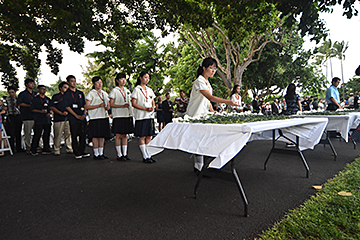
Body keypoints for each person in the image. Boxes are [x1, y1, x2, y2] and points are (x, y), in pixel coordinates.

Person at [186, 57, 238, 172]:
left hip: (203, 115)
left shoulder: (207, 82)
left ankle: (199, 166)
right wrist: (229, 101)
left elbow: (207, 100)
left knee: (201, 141)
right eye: (211, 68)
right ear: (204, 68)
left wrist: (212, 110)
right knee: (199, 141)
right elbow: (210, 97)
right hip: (195, 115)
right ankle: (199, 167)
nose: (213, 71)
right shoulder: (199, 80)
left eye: (215, 68)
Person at [131, 71, 157, 164]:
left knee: (149, 135)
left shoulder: (149, 90)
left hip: (149, 116)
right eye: (145, 77)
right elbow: (134, 103)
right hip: (141, 116)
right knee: (142, 136)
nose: (147, 79)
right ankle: (144, 156)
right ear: (140, 78)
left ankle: (149, 155)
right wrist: (145, 108)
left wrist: (152, 107)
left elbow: (153, 100)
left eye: (148, 78)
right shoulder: (137, 89)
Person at [64, 75, 90, 159]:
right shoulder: (67, 94)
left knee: (83, 134)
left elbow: (85, 104)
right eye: (72, 81)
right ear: (68, 82)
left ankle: (83, 150)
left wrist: (84, 114)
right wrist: (76, 116)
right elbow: (67, 107)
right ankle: (76, 152)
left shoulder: (80, 93)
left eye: (75, 81)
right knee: (74, 134)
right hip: (73, 117)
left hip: (82, 116)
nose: (74, 83)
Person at [109, 73, 134, 161]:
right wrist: (121, 106)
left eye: (124, 79)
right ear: (117, 80)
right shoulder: (114, 91)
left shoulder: (127, 91)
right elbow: (111, 104)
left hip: (126, 115)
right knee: (118, 135)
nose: (123, 81)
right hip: (118, 116)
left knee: (125, 135)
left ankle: (125, 154)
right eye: (121, 79)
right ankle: (119, 154)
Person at [85, 76, 111, 160]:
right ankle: (96, 154)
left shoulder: (104, 93)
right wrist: (98, 106)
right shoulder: (91, 93)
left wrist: (107, 107)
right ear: (93, 83)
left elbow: (108, 105)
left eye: (101, 82)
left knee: (102, 136)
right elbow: (87, 106)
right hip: (95, 117)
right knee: (95, 136)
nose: (100, 84)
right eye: (97, 82)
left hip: (103, 116)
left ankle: (101, 153)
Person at [50, 82, 73, 156]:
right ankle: (56, 149)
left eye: (67, 87)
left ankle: (69, 148)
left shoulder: (70, 96)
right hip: (58, 118)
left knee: (68, 134)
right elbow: (52, 107)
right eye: (65, 87)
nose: (67, 89)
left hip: (68, 118)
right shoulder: (56, 96)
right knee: (58, 134)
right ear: (60, 88)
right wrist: (60, 113)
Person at [30, 85, 52, 155]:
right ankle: (34, 149)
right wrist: (40, 111)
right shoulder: (35, 99)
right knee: (37, 134)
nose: (44, 91)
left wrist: (50, 113)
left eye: (45, 89)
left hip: (46, 119)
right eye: (42, 89)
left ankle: (46, 148)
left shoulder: (47, 99)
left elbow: (50, 108)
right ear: (38, 90)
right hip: (38, 119)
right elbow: (32, 109)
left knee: (47, 134)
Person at [18, 78, 37, 153]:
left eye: (33, 83)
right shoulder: (22, 94)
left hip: (35, 115)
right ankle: (28, 147)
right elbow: (19, 103)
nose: (32, 85)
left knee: (37, 132)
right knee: (27, 133)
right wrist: (30, 105)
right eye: (30, 83)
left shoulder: (35, 94)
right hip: (26, 115)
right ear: (27, 84)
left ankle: (37, 146)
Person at [4, 86, 23, 153]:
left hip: (18, 116)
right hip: (10, 116)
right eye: (10, 92)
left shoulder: (19, 99)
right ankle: (11, 148)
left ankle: (19, 148)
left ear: (15, 92)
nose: (11, 94)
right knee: (11, 133)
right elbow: (4, 108)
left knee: (18, 132)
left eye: (12, 92)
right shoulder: (6, 99)